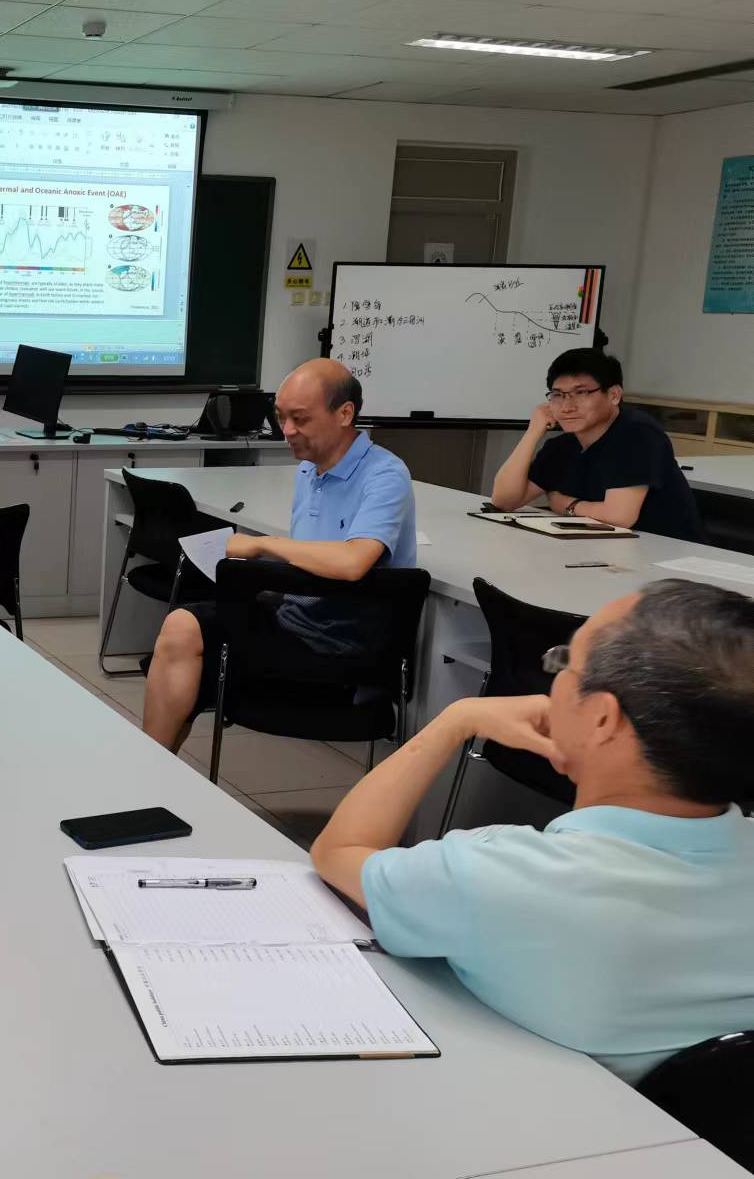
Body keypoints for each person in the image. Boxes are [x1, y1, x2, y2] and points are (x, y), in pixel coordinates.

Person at [311, 579, 754, 1084]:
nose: (554, 679)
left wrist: (455, 719)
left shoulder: (497, 873)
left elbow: (339, 849)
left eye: (565, 663)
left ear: (602, 718)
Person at [142, 359, 417, 751]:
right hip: (295, 618)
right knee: (182, 627)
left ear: (344, 414)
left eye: (300, 419)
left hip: (342, 643)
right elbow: (312, 554)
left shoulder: (384, 475)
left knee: (193, 650)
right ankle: (153, 767)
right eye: (280, 418)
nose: (287, 431)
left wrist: (262, 545)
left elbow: (353, 562)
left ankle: (154, 765)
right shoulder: (309, 469)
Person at [490, 348, 701, 541]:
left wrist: (567, 505)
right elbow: (504, 501)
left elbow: (619, 517)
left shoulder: (638, 433)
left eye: (581, 393)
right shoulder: (564, 445)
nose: (566, 407)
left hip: (668, 554)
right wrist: (533, 432)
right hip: (602, 549)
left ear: (614, 395)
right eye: (558, 395)